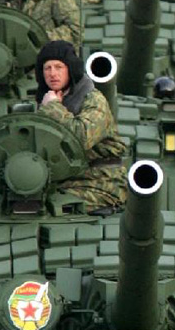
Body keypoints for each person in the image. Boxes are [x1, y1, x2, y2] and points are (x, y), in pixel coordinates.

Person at [35, 40, 127, 212]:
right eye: (47, 68)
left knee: (49, 209)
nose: (52, 73)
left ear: (71, 69)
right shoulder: (47, 101)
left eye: (59, 67)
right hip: (63, 182)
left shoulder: (93, 99)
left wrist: (53, 107)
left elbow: (81, 137)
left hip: (100, 182)